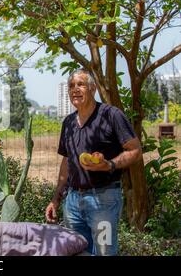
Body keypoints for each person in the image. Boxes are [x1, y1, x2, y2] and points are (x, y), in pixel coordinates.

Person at [45, 68, 142, 256]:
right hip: (73, 201)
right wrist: (56, 200)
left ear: (93, 88)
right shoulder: (68, 123)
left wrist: (109, 165)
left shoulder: (111, 115)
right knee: (75, 251)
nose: (75, 89)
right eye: (71, 86)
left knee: (105, 251)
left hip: (104, 199)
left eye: (80, 84)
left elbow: (135, 150)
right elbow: (67, 161)